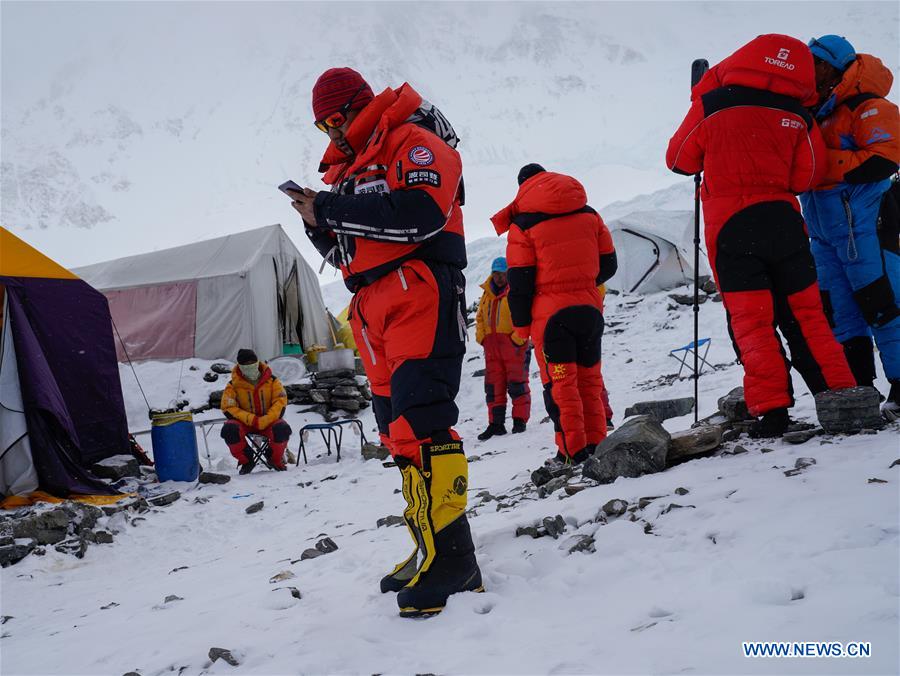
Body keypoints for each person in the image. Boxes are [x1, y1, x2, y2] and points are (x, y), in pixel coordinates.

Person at [286, 67, 481, 617]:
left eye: (335, 119)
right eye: (321, 125)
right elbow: (350, 249)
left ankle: (456, 560)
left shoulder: (413, 141)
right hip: (372, 304)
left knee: (423, 418)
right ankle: (429, 549)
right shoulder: (351, 170)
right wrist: (316, 222)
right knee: (396, 429)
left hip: (420, 287)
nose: (330, 133)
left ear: (359, 104)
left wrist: (329, 208)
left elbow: (418, 217)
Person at [666, 34, 858, 438]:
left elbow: (679, 160)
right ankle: (840, 396)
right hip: (783, 222)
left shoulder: (712, 103)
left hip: (732, 227)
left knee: (753, 323)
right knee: (808, 316)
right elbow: (806, 177)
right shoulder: (798, 114)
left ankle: (772, 414)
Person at [799, 35, 900, 420]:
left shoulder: (869, 106)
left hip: (867, 227)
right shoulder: (818, 112)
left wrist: (820, 166)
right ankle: (861, 389)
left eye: (816, 62)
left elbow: (885, 158)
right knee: (840, 312)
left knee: (884, 305)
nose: (809, 69)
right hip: (825, 233)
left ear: (836, 66)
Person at [491, 163, 617, 464]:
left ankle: (571, 452)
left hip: (552, 319)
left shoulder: (523, 225)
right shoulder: (589, 214)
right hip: (589, 310)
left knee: (561, 386)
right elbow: (609, 265)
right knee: (590, 381)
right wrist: (581, 282)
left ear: (523, 187)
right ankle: (597, 446)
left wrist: (521, 327)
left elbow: (519, 283)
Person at [475, 256, 531, 440]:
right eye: (496, 274)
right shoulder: (486, 294)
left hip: (513, 347)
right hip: (492, 348)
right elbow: (480, 317)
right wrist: (482, 337)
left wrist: (518, 339)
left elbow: (526, 314)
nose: (499, 277)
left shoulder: (516, 290)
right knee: (493, 387)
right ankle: (496, 424)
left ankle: (519, 421)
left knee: (517, 384)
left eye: (503, 273)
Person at [220, 349, 291, 473]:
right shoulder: (232, 385)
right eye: (245, 364)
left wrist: (266, 419)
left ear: (257, 362)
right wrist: (252, 419)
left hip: (269, 422)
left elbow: (280, 402)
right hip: (245, 423)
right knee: (229, 430)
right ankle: (246, 461)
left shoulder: (273, 381)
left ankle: (274, 458)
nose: (249, 366)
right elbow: (228, 407)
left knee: (282, 429)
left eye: (252, 362)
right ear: (240, 366)